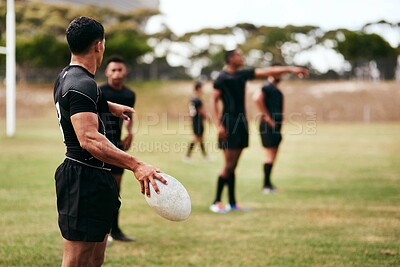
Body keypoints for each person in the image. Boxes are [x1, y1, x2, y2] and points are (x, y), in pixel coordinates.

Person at [53, 16, 167, 266]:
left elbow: (79, 101)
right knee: (76, 260)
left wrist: (110, 107)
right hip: (82, 178)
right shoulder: (81, 84)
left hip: (95, 177)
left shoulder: (69, 77)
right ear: (99, 46)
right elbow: (89, 139)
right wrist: (136, 165)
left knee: (95, 258)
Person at [209, 49, 308, 213]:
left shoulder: (242, 75)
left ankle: (232, 203)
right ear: (231, 58)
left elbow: (268, 71)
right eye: (239, 55)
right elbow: (213, 100)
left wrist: (291, 69)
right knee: (228, 166)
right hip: (229, 123)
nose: (242, 57)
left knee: (233, 166)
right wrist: (219, 125)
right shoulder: (222, 78)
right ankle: (216, 201)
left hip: (241, 123)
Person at [99, 56, 136, 242]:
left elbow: (129, 115)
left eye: (120, 70)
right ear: (106, 72)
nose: (116, 73)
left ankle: (115, 230)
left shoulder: (129, 94)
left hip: (118, 147)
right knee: (100, 191)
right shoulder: (98, 91)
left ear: (125, 71)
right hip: (98, 147)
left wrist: (130, 133)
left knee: (115, 192)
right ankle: (101, 232)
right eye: (113, 70)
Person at [254, 71, 290, 194]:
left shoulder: (274, 88)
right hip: (269, 125)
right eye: (279, 74)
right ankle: (266, 185)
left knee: (273, 153)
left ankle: (268, 183)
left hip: (275, 125)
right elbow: (256, 98)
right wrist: (268, 117)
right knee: (270, 153)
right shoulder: (266, 86)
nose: (281, 76)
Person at [184, 81, 209, 161]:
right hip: (198, 121)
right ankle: (187, 156)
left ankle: (205, 156)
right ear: (198, 88)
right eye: (202, 88)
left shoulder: (192, 99)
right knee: (196, 138)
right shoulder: (197, 100)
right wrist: (207, 118)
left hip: (195, 120)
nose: (203, 90)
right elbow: (201, 110)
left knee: (201, 138)